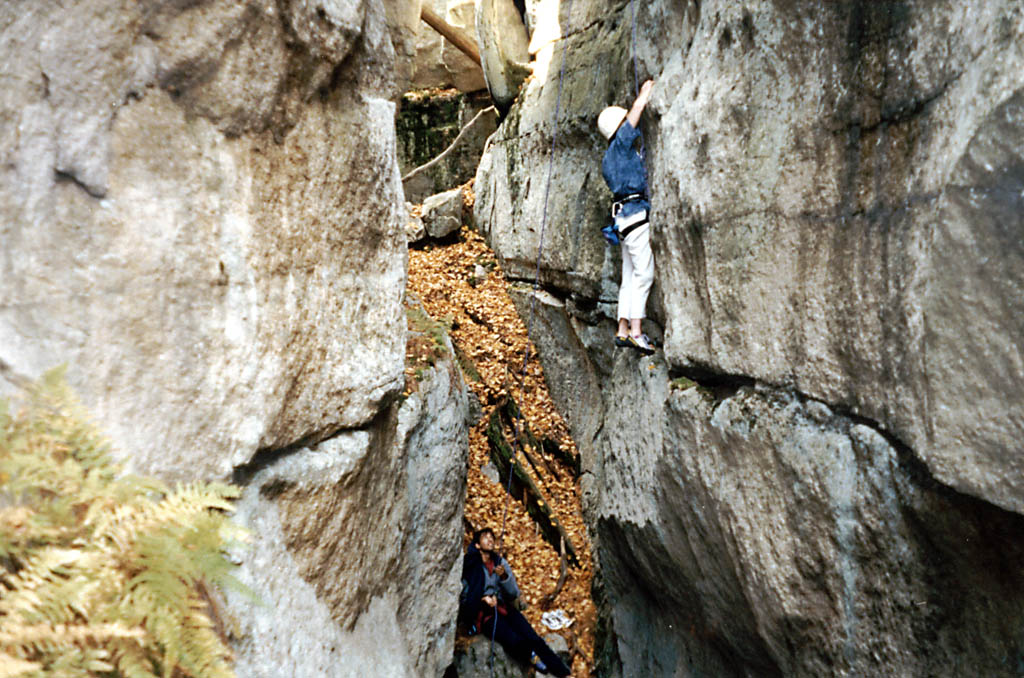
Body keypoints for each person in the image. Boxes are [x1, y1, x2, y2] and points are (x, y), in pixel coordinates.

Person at [459, 528, 572, 676]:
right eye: (485, 537)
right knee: (514, 640)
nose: (490, 540)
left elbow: (513, 593)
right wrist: (482, 600)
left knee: (533, 637)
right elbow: (465, 594)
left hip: (504, 607)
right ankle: (530, 655)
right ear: (478, 545)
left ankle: (563, 672)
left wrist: (504, 576)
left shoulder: (500, 563)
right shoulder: (470, 565)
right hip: (485, 616)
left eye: (492, 537)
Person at [598, 79, 656, 356]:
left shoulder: (608, 159)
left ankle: (622, 330)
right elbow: (632, 120)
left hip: (623, 221)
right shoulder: (620, 147)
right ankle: (636, 332)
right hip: (635, 218)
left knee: (630, 276)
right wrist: (643, 96)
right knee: (644, 274)